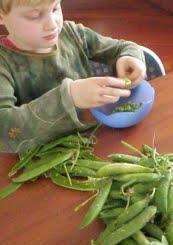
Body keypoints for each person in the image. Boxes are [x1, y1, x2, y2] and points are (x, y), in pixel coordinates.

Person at [0, 0, 147, 153]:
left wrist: (129, 57)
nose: (52, 25)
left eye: (55, 8)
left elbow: (123, 47)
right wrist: (68, 97)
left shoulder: (73, 34)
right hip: (40, 156)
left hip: (92, 141)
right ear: (2, 15)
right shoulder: (4, 63)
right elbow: (4, 129)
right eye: (34, 16)